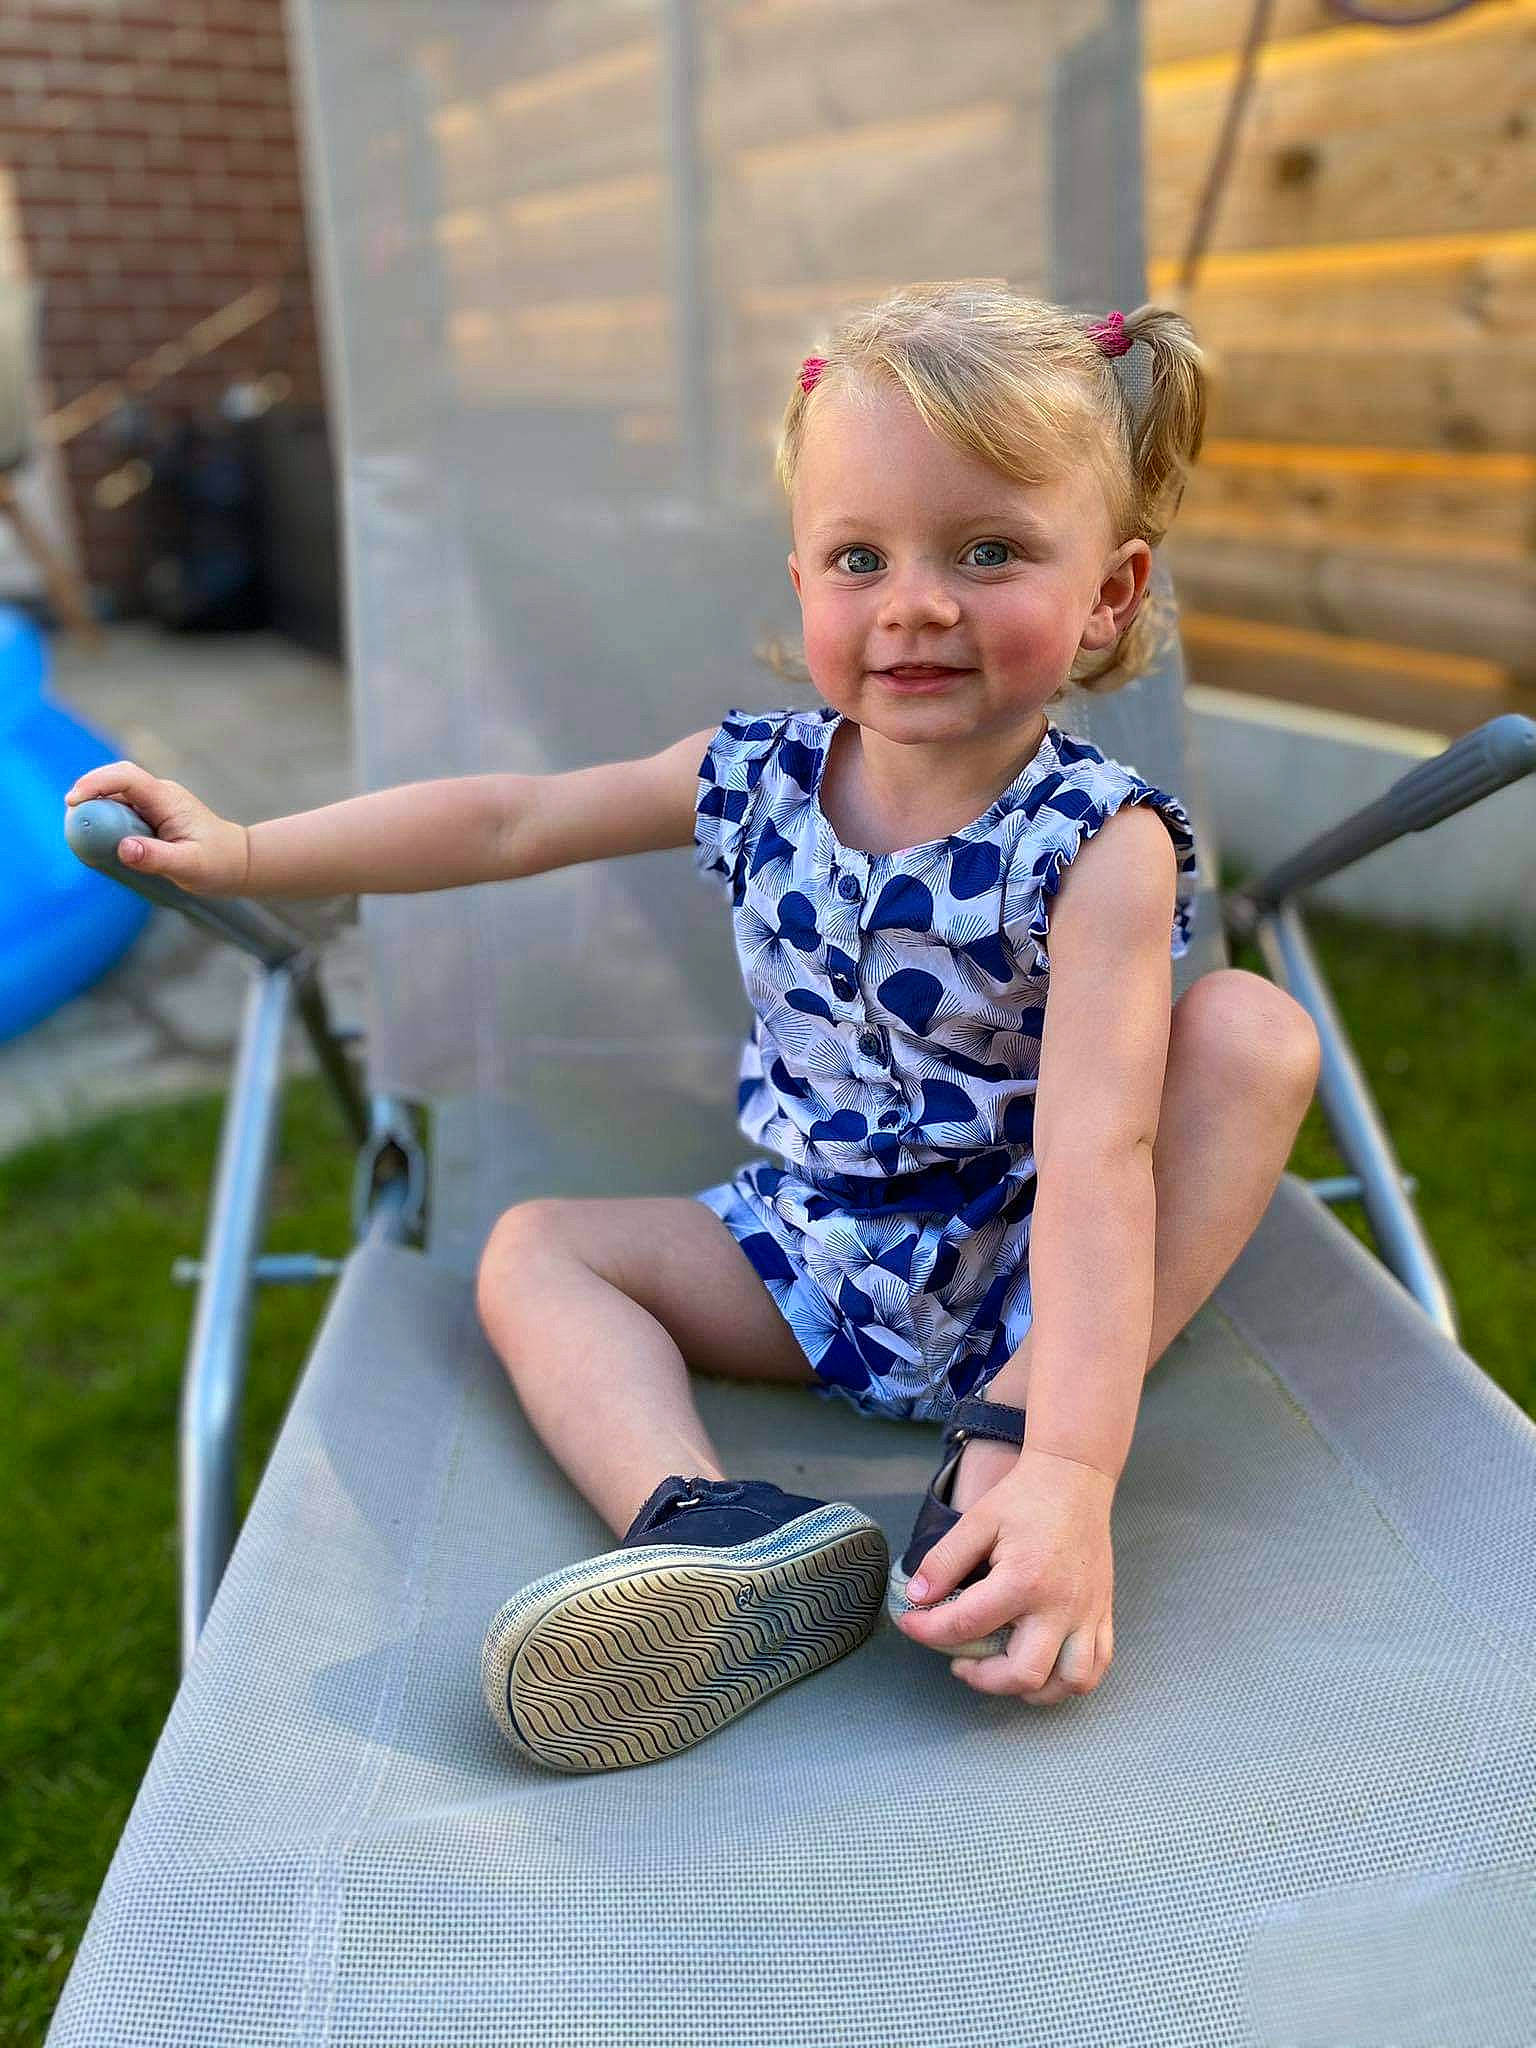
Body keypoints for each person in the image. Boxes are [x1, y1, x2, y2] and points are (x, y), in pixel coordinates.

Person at [66, 283, 1320, 1776]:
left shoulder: (1097, 844)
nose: (917, 602)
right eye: (863, 557)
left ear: (1110, 593)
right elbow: (511, 816)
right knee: (537, 1249)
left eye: (989, 551)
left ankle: (1004, 1467)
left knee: (1251, 1033)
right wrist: (256, 850)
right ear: (801, 581)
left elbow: (1104, 1158)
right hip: (806, 1257)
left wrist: (1063, 1458)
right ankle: (714, 1533)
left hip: (1034, 1285)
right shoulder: (755, 778)